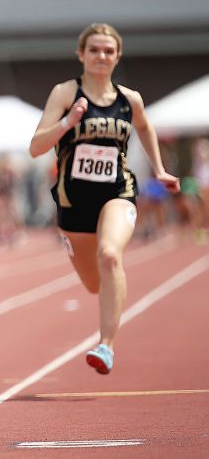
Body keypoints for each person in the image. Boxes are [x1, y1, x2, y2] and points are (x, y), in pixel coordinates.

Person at [29, 23, 179, 375]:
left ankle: (106, 345)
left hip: (117, 192)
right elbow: (36, 147)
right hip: (73, 203)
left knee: (110, 256)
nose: (101, 56)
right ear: (81, 54)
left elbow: (144, 126)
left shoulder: (131, 100)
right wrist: (68, 122)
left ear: (118, 56)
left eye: (108, 51)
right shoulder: (66, 93)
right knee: (94, 282)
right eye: (94, 50)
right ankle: (84, 258)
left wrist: (158, 169)